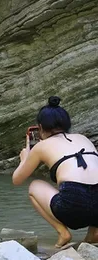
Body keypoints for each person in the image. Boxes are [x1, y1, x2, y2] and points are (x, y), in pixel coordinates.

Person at [12, 96, 98, 248]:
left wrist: (25, 159)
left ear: (40, 127)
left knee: (34, 186)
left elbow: (17, 180)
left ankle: (63, 233)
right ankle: (94, 233)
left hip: (72, 209)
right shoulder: (83, 138)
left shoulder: (41, 147)